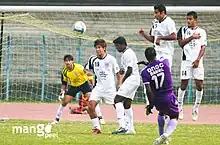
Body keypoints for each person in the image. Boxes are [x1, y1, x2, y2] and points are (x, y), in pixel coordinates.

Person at [141, 47, 179, 145]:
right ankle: (166, 135)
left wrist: (150, 105)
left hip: (158, 99)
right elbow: (159, 65)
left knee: (161, 113)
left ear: (146, 57)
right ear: (155, 54)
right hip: (169, 95)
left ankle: (161, 137)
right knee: (174, 117)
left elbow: (148, 90)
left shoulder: (144, 72)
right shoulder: (165, 62)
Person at [177, 11, 207, 121]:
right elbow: (180, 44)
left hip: (197, 61)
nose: (188, 21)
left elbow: (203, 47)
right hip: (186, 61)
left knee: (199, 84)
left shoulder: (202, 32)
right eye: (187, 19)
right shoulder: (183, 30)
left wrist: (198, 60)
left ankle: (196, 108)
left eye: (190, 19)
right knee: (183, 83)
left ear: (195, 20)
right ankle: (179, 108)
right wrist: (192, 37)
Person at [87, 39, 121, 134]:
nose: (98, 50)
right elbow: (85, 69)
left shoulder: (111, 59)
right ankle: (97, 128)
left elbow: (118, 73)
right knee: (90, 106)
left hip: (110, 89)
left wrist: (119, 83)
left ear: (104, 48)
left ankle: (125, 125)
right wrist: (89, 75)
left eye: (99, 47)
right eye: (96, 48)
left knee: (118, 106)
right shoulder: (93, 59)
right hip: (98, 88)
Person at [51, 54, 93, 124]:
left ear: (72, 61)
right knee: (64, 102)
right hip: (74, 86)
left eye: (69, 61)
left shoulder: (79, 67)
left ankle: (100, 118)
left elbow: (89, 74)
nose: (67, 62)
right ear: (64, 62)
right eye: (66, 61)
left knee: (92, 100)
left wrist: (93, 85)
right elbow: (64, 82)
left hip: (84, 84)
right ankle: (56, 119)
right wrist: (62, 91)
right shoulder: (64, 71)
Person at [112, 36, 140, 134]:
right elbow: (125, 69)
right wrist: (121, 70)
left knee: (117, 100)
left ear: (123, 45)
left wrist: (122, 81)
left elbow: (130, 70)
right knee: (127, 104)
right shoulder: (126, 54)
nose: (117, 48)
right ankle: (131, 128)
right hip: (135, 80)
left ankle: (122, 126)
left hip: (131, 79)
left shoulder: (128, 53)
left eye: (117, 46)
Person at [139, 4, 177, 69]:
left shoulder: (169, 22)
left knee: (165, 74)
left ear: (162, 13)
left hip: (166, 53)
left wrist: (160, 38)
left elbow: (174, 36)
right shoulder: (155, 22)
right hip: (156, 53)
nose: (155, 15)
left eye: (156, 13)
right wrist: (144, 35)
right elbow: (153, 39)